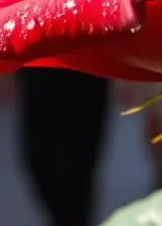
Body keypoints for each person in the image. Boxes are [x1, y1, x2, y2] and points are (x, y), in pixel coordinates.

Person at [18, 68, 110, 226]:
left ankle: (73, 219)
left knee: (81, 163)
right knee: (38, 156)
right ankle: (66, 218)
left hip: (87, 65)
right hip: (40, 64)